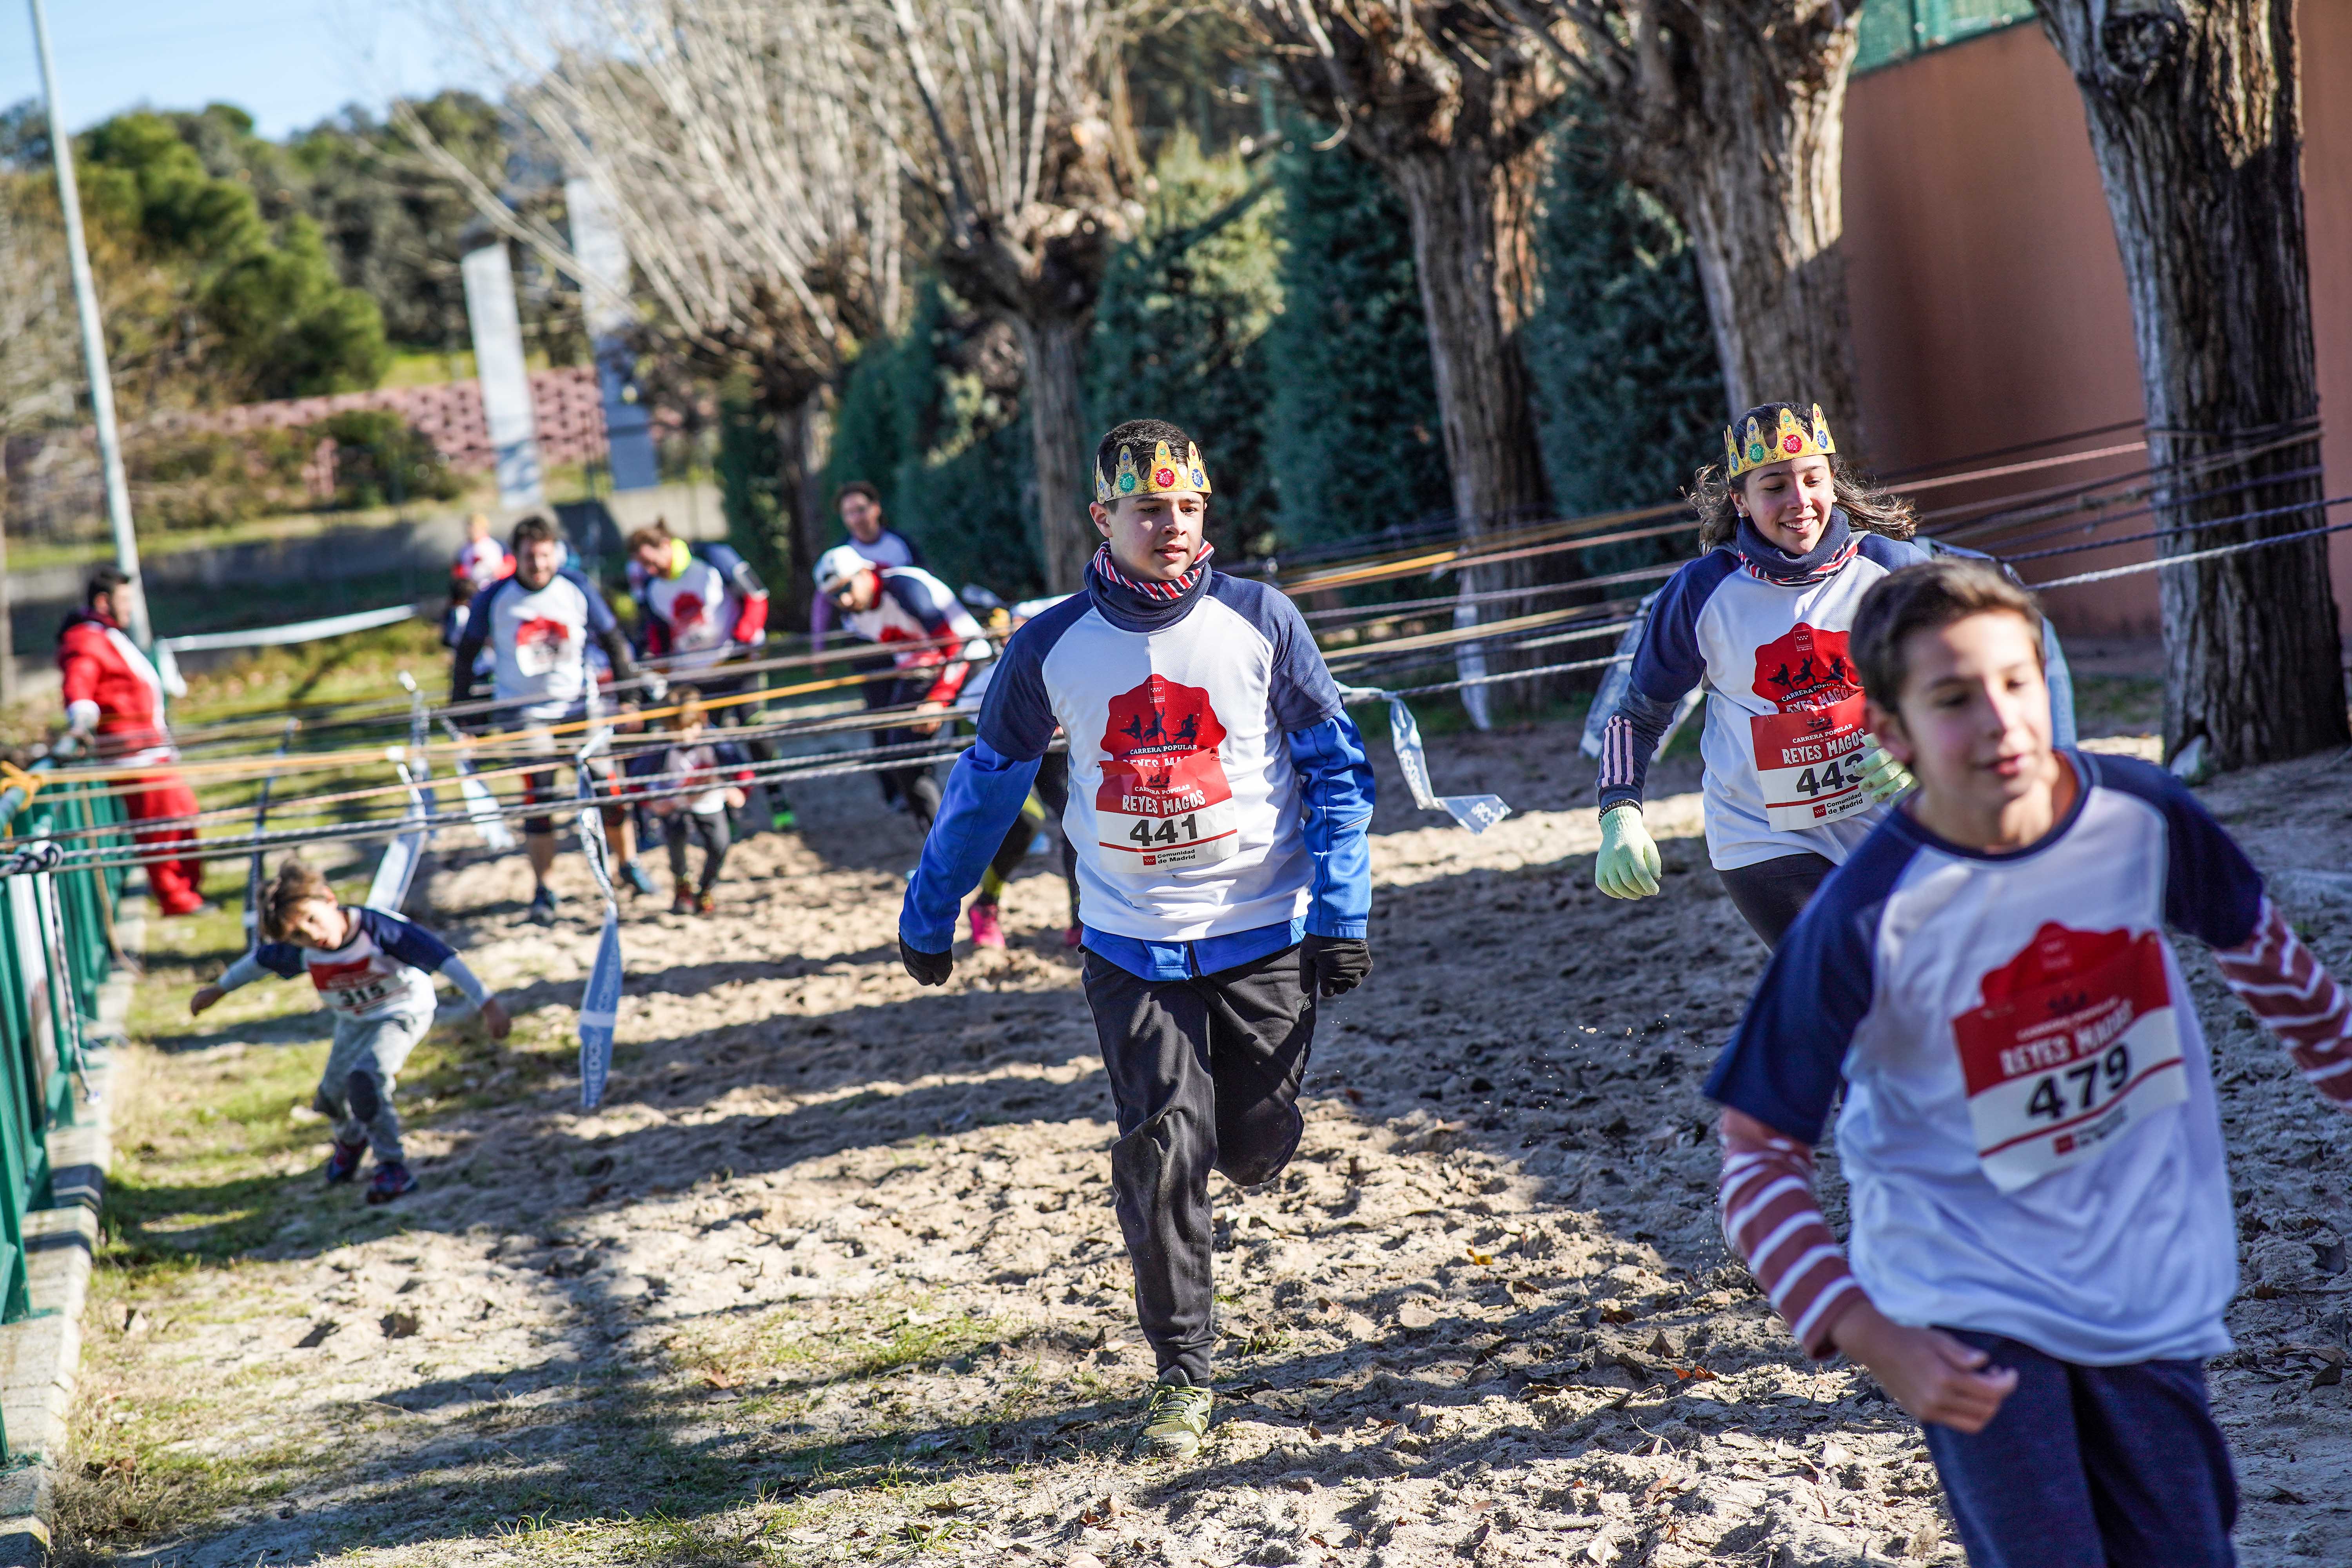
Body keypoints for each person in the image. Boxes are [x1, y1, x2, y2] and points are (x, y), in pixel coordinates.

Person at [1707, 558, 2352, 1568]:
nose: (2002, 721)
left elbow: (2281, 971)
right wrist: (1874, 1335)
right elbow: (1753, 1158)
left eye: (2017, 681)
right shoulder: (1862, 917)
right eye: (1954, 699)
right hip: (1965, 1300)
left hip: (2147, 1278)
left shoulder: (2142, 815)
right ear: (1892, 733)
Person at [899, 420, 1377, 1460]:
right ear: (1102, 519)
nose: (1172, 525)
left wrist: (1342, 911)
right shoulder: (1046, 646)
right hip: (1129, 947)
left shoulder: (1264, 621)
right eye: (1149, 508)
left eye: (1189, 507)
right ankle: (1183, 1375)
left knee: (1249, 1145)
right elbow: (986, 790)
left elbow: (1337, 771)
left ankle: (1251, 1133)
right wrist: (929, 913)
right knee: (1163, 1150)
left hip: (1261, 935)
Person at [1592, 402, 1928, 947]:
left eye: (1813, 481)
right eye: (1774, 487)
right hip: (1762, 837)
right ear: (1740, 501)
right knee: (1837, 980)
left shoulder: (1891, 570)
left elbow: (1968, 675)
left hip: (1894, 818)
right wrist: (1619, 813)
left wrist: (1920, 749)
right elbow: (1637, 715)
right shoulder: (1701, 593)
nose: (1800, 503)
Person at [191, 859, 512, 1203]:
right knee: (331, 1098)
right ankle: (351, 1140)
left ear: (329, 900)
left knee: (366, 1079)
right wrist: (219, 989)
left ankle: (393, 1168)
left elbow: (443, 958)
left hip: (401, 1013)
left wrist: (488, 1004)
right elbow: (260, 962)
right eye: (298, 935)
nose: (313, 936)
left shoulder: (377, 930)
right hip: (353, 1021)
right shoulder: (304, 951)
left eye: (313, 920)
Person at [451, 514, 659, 924]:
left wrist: (630, 699)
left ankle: (629, 864)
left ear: (554, 554)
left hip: (581, 706)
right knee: (539, 799)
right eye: (531, 557)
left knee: (607, 787)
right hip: (525, 712)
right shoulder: (494, 597)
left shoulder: (576, 587)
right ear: (517, 557)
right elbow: (465, 656)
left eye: (545, 556)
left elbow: (615, 641)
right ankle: (544, 889)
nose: (539, 565)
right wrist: (467, 721)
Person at [622, 519, 797, 833]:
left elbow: (756, 595)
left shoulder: (714, 557)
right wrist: (661, 661)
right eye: (642, 565)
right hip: (695, 678)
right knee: (706, 742)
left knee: (755, 731)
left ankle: (777, 799)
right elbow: (656, 632)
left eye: (651, 561)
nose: (649, 570)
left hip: (736, 665)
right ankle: (727, 816)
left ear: (665, 546)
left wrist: (745, 639)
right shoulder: (653, 588)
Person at [56, 568, 207, 916]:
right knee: (161, 830)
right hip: (133, 758)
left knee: (183, 817)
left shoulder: (107, 634)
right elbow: (79, 687)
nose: (130, 610)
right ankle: (177, 900)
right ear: (103, 601)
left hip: (152, 750)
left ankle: (189, 891)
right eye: (125, 601)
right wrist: (80, 722)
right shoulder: (85, 639)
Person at [812, 543, 990, 832]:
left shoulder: (905, 588)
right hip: (924, 673)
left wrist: (939, 699)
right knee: (901, 758)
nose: (843, 600)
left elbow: (958, 646)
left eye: (846, 589)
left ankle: (1016, 835)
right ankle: (941, 845)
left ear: (864, 572)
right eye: (834, 596)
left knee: (985, 761)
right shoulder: (854, 616)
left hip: (971, 664)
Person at [955, 594, 1080, 950]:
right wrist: (1014, 725)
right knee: (1027, 824)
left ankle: (1081, 921)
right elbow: (967, 711)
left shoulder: (1069, 659)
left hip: (1054, 753)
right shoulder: (999, 672)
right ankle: (986, 905)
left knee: (1079, 820)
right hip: (1007, 753)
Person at [627, 685, 750, 915]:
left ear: (702, 720)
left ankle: (706, 888)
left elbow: (742, 769)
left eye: (689, 728)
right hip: (673, 801)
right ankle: (682, 885)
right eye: (676, 729)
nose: (684, 736)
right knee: (676, 839)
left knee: (720, 844)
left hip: (708, 798)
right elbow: (636, 780)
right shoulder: (660, 746)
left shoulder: (716, 740)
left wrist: (740, 790)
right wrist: (651, 803)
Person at [808, 482, 925, 652]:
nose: (856, 518)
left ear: (876, 508)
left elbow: (923, 581)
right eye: (849, 513)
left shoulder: (901, 543)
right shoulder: (838, 555)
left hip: (907, 632)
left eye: (861, 510)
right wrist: (819, 646)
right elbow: (823, 599)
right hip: (863, 638)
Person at [452, 512, 512, 593]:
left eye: (474, 528)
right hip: (473, 593)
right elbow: (458, 573)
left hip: (495, 589)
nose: (471, 531)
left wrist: (499, 573)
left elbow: (511, 565)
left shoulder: (497, 545)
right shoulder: (463, 550)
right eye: (469, 527)